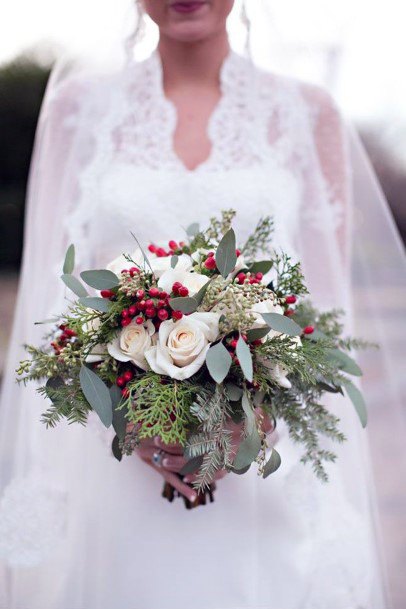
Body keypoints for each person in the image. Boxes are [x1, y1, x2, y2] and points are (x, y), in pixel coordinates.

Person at [1, 1, 405, 607]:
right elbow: (53, 298)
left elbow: (325, 309)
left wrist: (259, 416)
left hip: (268, 457)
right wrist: (126, 416)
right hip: (119, 458)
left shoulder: (306, 113)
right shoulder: (78, 111)